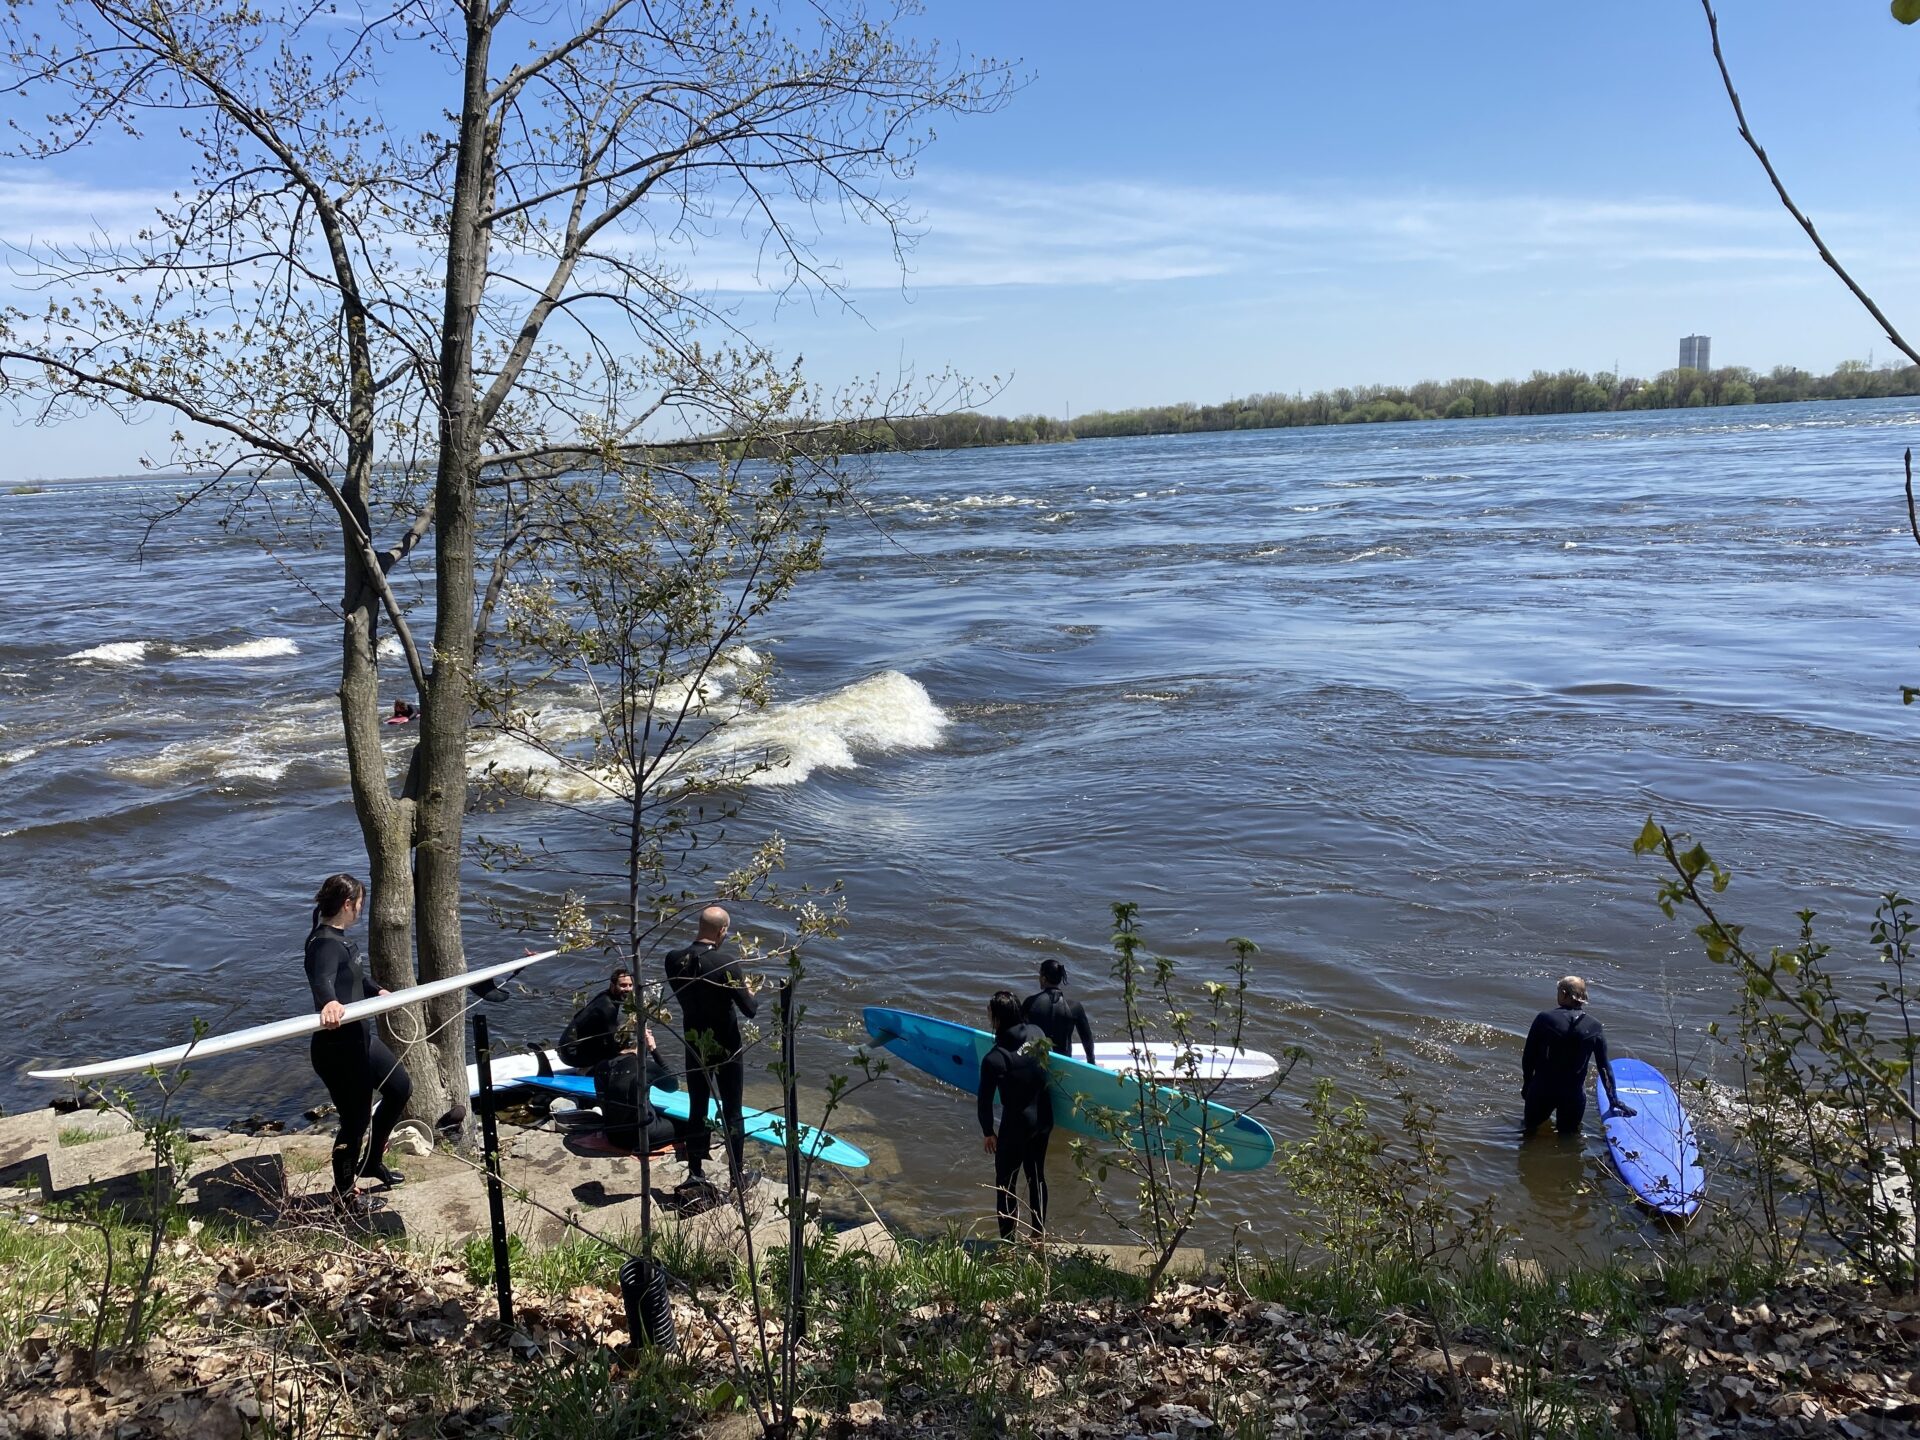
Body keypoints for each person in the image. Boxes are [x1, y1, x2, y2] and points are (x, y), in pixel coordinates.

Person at [304, 873, 412, 1207]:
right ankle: (345, 1195)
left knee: (399, 1088)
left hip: (360, 1040)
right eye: (360, 904)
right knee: (355, 1121)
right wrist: (330, 1003)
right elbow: (322, 979)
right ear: (348, 904)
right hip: (337, 1049)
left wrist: (376, 989)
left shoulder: (339, 939)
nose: (360, 910)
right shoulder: (323, 943)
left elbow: (352, 975)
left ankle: (372, 1161)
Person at [663, 905, 758, 1190]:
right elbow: (749, 1009)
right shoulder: (726, 963)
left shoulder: (673, 959)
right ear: (721, 931)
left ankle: (695, 1172)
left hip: (694, 1043)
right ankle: (736, 1177)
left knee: (697, 1106)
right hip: (726, 1046)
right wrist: (749, 990)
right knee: (732, 1110)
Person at [978, 989, 1054, 1240]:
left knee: (1006, 1186)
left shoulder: (995, 1059)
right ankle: (1038, 1237)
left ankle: (1009, 1246)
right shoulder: (1037, 1033)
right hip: (1043, 1120)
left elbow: (985, 1101)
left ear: (997, 1019)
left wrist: (988, 1132)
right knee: (1036, 1178)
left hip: (1017, 1127)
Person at [1521, 975, 1635, 1137]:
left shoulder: (1544, 1019)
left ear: (1564, 994)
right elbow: (1604, 1067)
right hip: (1573, 1095)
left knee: (1529, 1135)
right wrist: (1613, 1099)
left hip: (1542, 1090)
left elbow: (1529, 1056)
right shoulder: (1594, 1026)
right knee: (1568, 1142)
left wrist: (1527, 1084)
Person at [592, 1025, 690, 1153]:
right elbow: (673, 1086)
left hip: (613, 1136)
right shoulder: (644, 1067)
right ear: (641, 1042)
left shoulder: (601, 1067)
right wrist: (653, 1050)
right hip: (641, 1136)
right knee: (693, 1124)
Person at [557, 967, 634, 1070]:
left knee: (623, 1043)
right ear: (612, 985)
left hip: (566, 1049)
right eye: (623, 985)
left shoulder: (605, 996)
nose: (628, 989)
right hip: (572, 1055)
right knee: (631, 1056)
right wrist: (626, 1052)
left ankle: (591, 1066)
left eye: (630, 985)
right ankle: (590, 1071)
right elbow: (611, 1041)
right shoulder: (608, 1007)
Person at [1022, 958, 1095, 1064]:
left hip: (1035, 1061)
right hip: (1063, 1063)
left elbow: (1019, 1031)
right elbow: (1087, 1038)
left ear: (1043, 979)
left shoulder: (1030, 1002)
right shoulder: (1075, 1007)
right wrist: (1091, 1062)